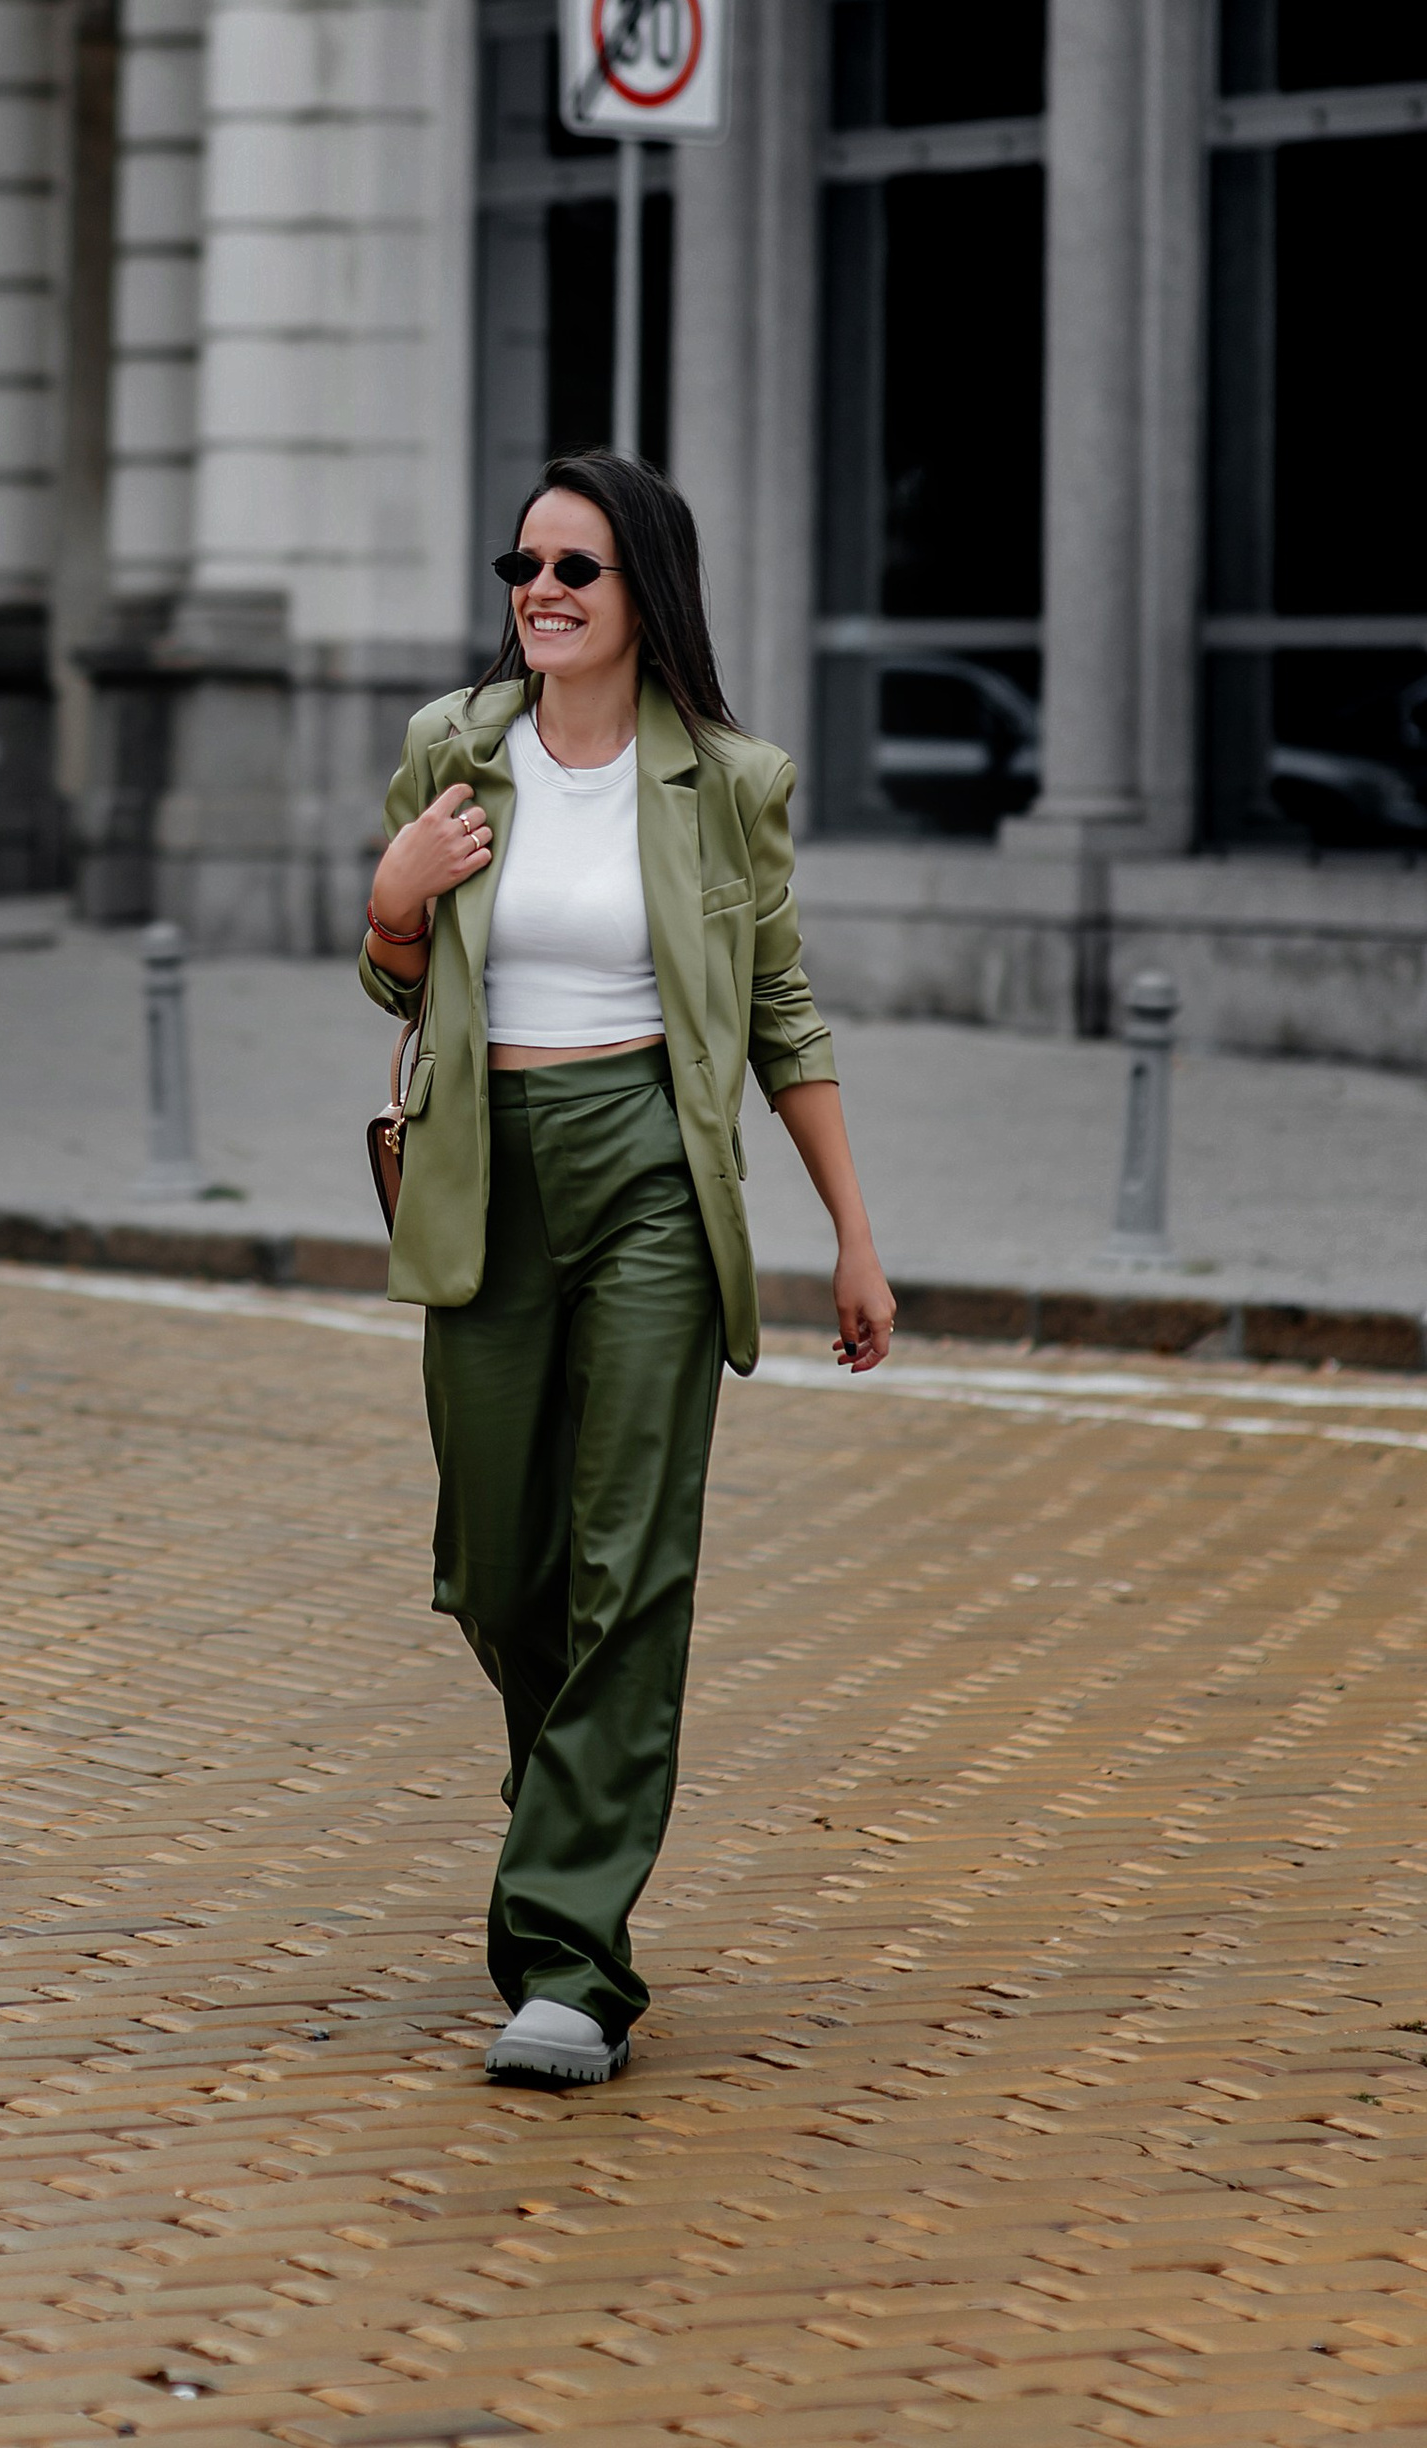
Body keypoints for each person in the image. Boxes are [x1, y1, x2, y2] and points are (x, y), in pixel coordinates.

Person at [360, 447, 896, 2093]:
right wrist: (392, 902)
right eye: (523, 561)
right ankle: (572, 1835)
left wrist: (851, 1232)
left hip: (654, 1177)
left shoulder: (725, 778)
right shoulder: (453, 753)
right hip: (485, 1178)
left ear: (642, 590)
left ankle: (573, 1956)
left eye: (575, 566)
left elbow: (782, 1007)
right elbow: (397, 987)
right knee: (503, 1563)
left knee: (628, 1556)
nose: (539, 588)